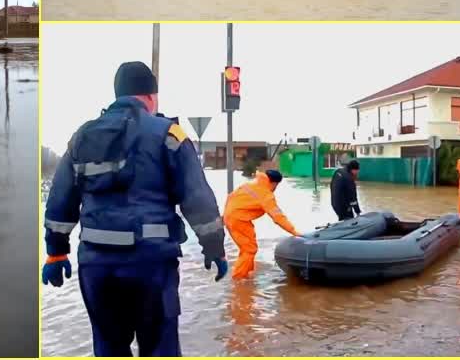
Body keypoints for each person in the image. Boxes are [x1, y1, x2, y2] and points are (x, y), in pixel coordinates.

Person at [42, 61, 228, 357]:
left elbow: (60, 198)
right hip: (151, 263)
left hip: (97, 266)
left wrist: (56, 251)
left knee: (109, 348)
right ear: (151, 97)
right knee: (159, 349)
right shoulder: (170, 134)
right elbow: (197, 198)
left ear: (117, 95)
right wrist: (214, 246)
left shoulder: (81, 137)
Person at [223, 169, 301, 280]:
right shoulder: (266, 195)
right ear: (274, 183)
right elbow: (278, 217)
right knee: (249, 250)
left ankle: (247, 274)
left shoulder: (250, 184)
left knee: (248, 247)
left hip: (232, 217)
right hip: (239, 220)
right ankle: (238, 279)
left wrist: (226, 215)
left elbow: (231, 196)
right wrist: (294, 231)